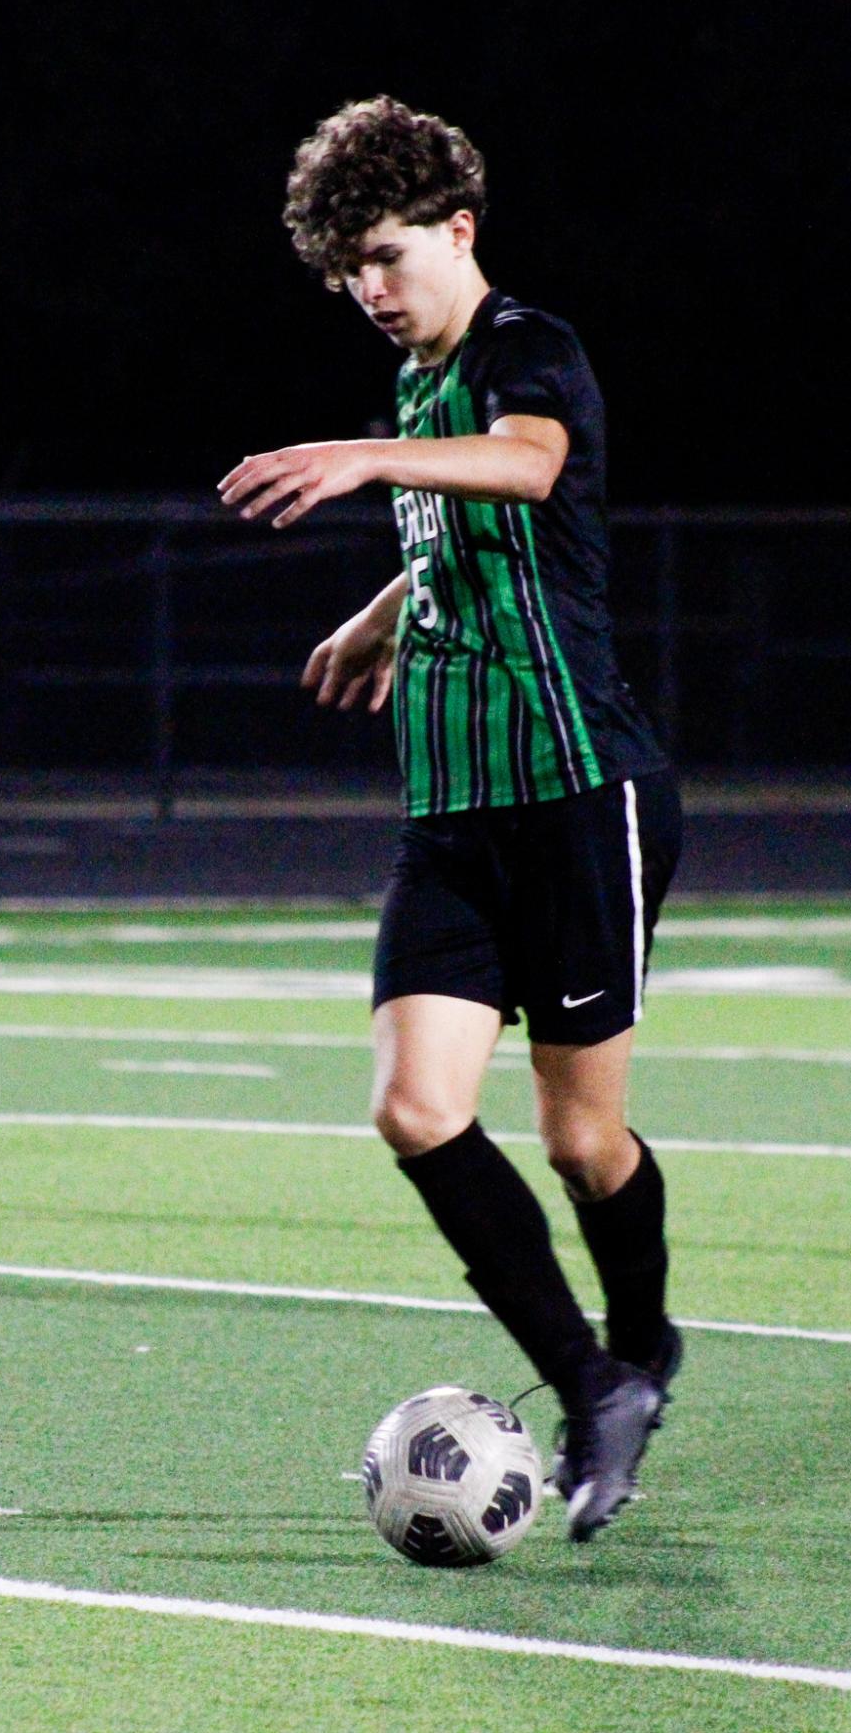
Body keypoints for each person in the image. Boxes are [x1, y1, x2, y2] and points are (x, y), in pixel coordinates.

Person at [217, 97, 683, 1542]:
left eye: (385, 254)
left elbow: (531, 466)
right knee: (415, 1108)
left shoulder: (520, 350)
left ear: (457, 229)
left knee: (582, 1142)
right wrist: (379, 610)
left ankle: (644, 1339)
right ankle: (590, 1384)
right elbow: (460, 534)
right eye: (344, 266)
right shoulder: (417, 391)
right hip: (452, 816)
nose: (367, 287)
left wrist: (362, 466)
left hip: (575, 790)